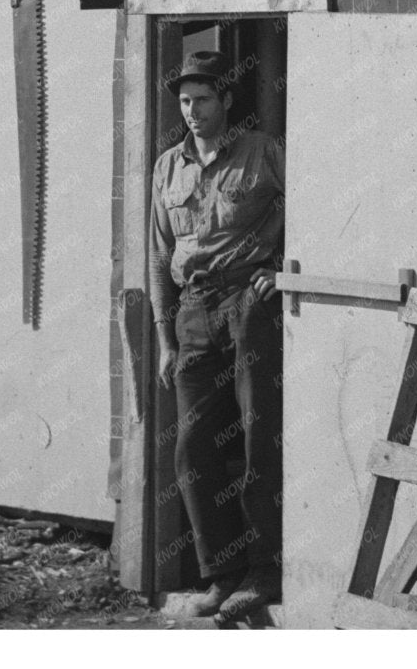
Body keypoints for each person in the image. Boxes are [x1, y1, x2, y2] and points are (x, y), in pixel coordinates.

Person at [148, 47, 284, 623]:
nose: (193, 111)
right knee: (192, 449)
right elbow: (158, 256)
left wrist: (282, 269)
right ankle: (221, 574)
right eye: (184, 101)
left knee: (259, 441)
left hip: (248, 305)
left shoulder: (264, 151)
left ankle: (262, 572)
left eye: (204, 99)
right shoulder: (166, 167)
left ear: (227, 99)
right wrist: (164, 336)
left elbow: (316, 209)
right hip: (192, 313)